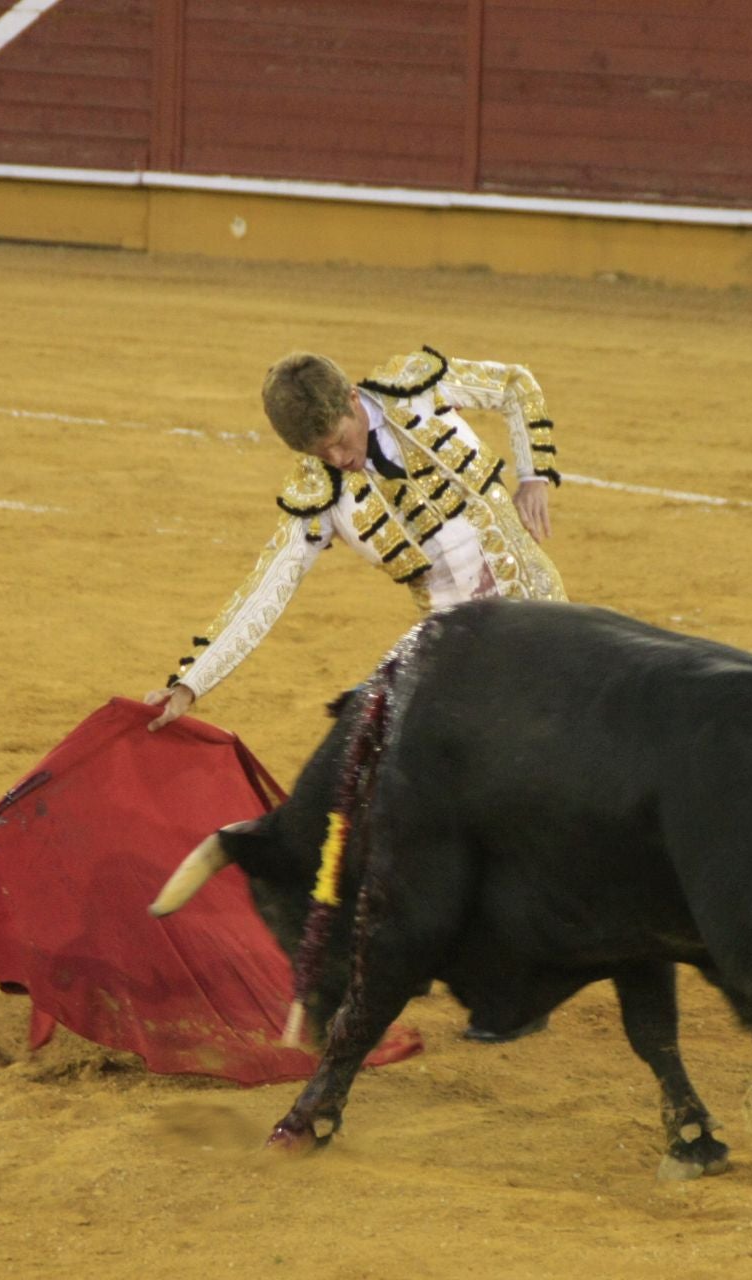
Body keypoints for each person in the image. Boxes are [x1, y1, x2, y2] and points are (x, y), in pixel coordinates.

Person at [141, 345, 566, 1042]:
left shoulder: (415, 389)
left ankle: (521, 980)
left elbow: (518, 384)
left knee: (517, 805)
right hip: (453, 647)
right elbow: (267, 590)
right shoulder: (322, 495)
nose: (338, 460)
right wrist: (190, 682)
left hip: (538, 624)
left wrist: (533, 475)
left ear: (349, 403)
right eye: (320, 454)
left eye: (339, 441)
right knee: (394, 779)